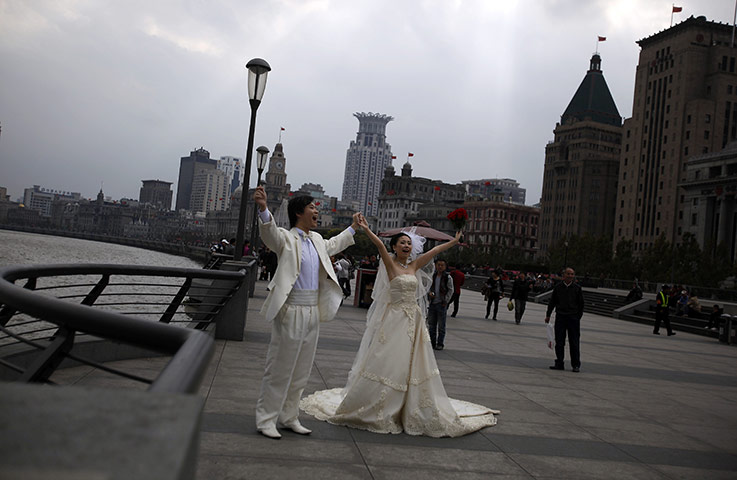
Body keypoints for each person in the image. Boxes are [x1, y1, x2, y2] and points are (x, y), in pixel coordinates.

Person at [300, 221, 498, 437]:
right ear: (395, 247)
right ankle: (385, 405)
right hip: (394, 320)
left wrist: (454, 241)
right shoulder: (390, 264)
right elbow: (379, 246)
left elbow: (434, 251)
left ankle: (410, 403)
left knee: (414, 362)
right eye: (402, 243)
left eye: (408, 243)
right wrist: (366, 229)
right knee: (389, 359)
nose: (406, 246)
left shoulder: (413, 266)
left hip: (414, 319)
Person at [253, 186, 361, 440]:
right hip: (291, 310)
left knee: (301, 370)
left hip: (313, 310)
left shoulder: (317, 241)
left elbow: (334, 244)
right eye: (312, 207)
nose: (316, 211)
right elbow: (269, 236)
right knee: (279, 367)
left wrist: (354, 227)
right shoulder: (286, 238)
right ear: (299, 212)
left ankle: (289, 417)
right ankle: (266, 419)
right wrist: (263, 209)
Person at [545, 267, 585, 372]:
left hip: (573, 318)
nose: (570, 276)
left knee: (574, 342)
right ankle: (559, 362)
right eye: (568, 274)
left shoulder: (577, 288)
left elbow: (581, 304)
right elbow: (552, 302)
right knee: (560, 341)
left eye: (572, 274)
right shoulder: (558, 287)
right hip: (561, 316)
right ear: (564, 275)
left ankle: (575, 365)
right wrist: (548, 314)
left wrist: (577, 317)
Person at [427, 258, 454, 350]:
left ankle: (440, 343)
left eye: (442, 265)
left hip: (441, 304)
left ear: (445, 267)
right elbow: (428, 287)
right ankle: (432, 342)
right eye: (438, 265)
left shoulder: (447, 277)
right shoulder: (432, 276)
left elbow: (450, 290)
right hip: (432, 303)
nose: (440, 267)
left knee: (441, 325)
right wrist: (429, 293)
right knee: (431, 325)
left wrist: (446, 300)